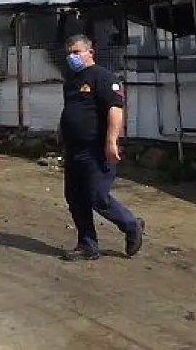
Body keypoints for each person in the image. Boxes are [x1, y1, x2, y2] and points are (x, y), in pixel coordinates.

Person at [58, 33, 144, 260]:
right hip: (74, 150)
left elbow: (115, 109)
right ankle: (88, 245)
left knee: (97, 196)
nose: (72, 57)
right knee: (75, 198)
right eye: (69, 53)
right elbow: (71, 113)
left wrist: (111, 141)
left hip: (95, 150)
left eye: (76, 52)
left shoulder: (103, 77)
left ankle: (131, 224)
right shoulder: (71, 81)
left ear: (90, 52)